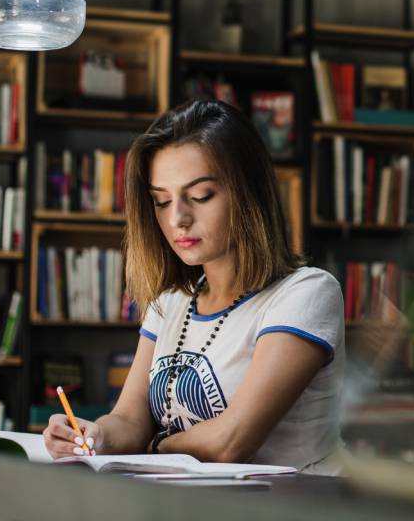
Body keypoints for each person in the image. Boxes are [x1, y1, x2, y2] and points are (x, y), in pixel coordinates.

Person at [42, 99, 344, 474]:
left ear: (248, 193)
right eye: (161, 201)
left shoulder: (306, 293)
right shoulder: (171, 302)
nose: (177, 219)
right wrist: (95, 435)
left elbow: (231, 441)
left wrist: (152, 445)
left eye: (200, 196)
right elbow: (130, 420)